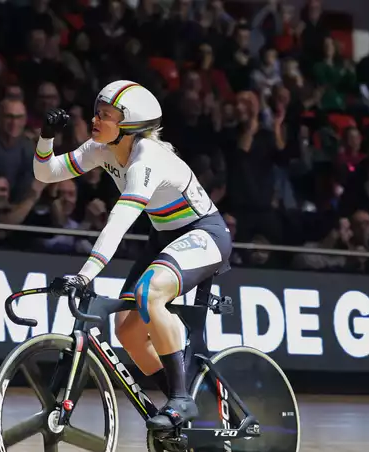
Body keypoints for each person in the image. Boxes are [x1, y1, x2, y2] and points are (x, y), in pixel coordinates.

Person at [33, 80, 233, 431]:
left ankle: (182, 401)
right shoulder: (103, 148)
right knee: (127, 332)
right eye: (97, 111)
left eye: (106, 115)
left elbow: (121, 219)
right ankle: (181, 406)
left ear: (129, 125)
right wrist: (46, 136)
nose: (96, 119)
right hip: (164, 237)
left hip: (205, 234)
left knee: (149, 293)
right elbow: (46, 173)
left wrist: (86, 273)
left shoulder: (148, 158)